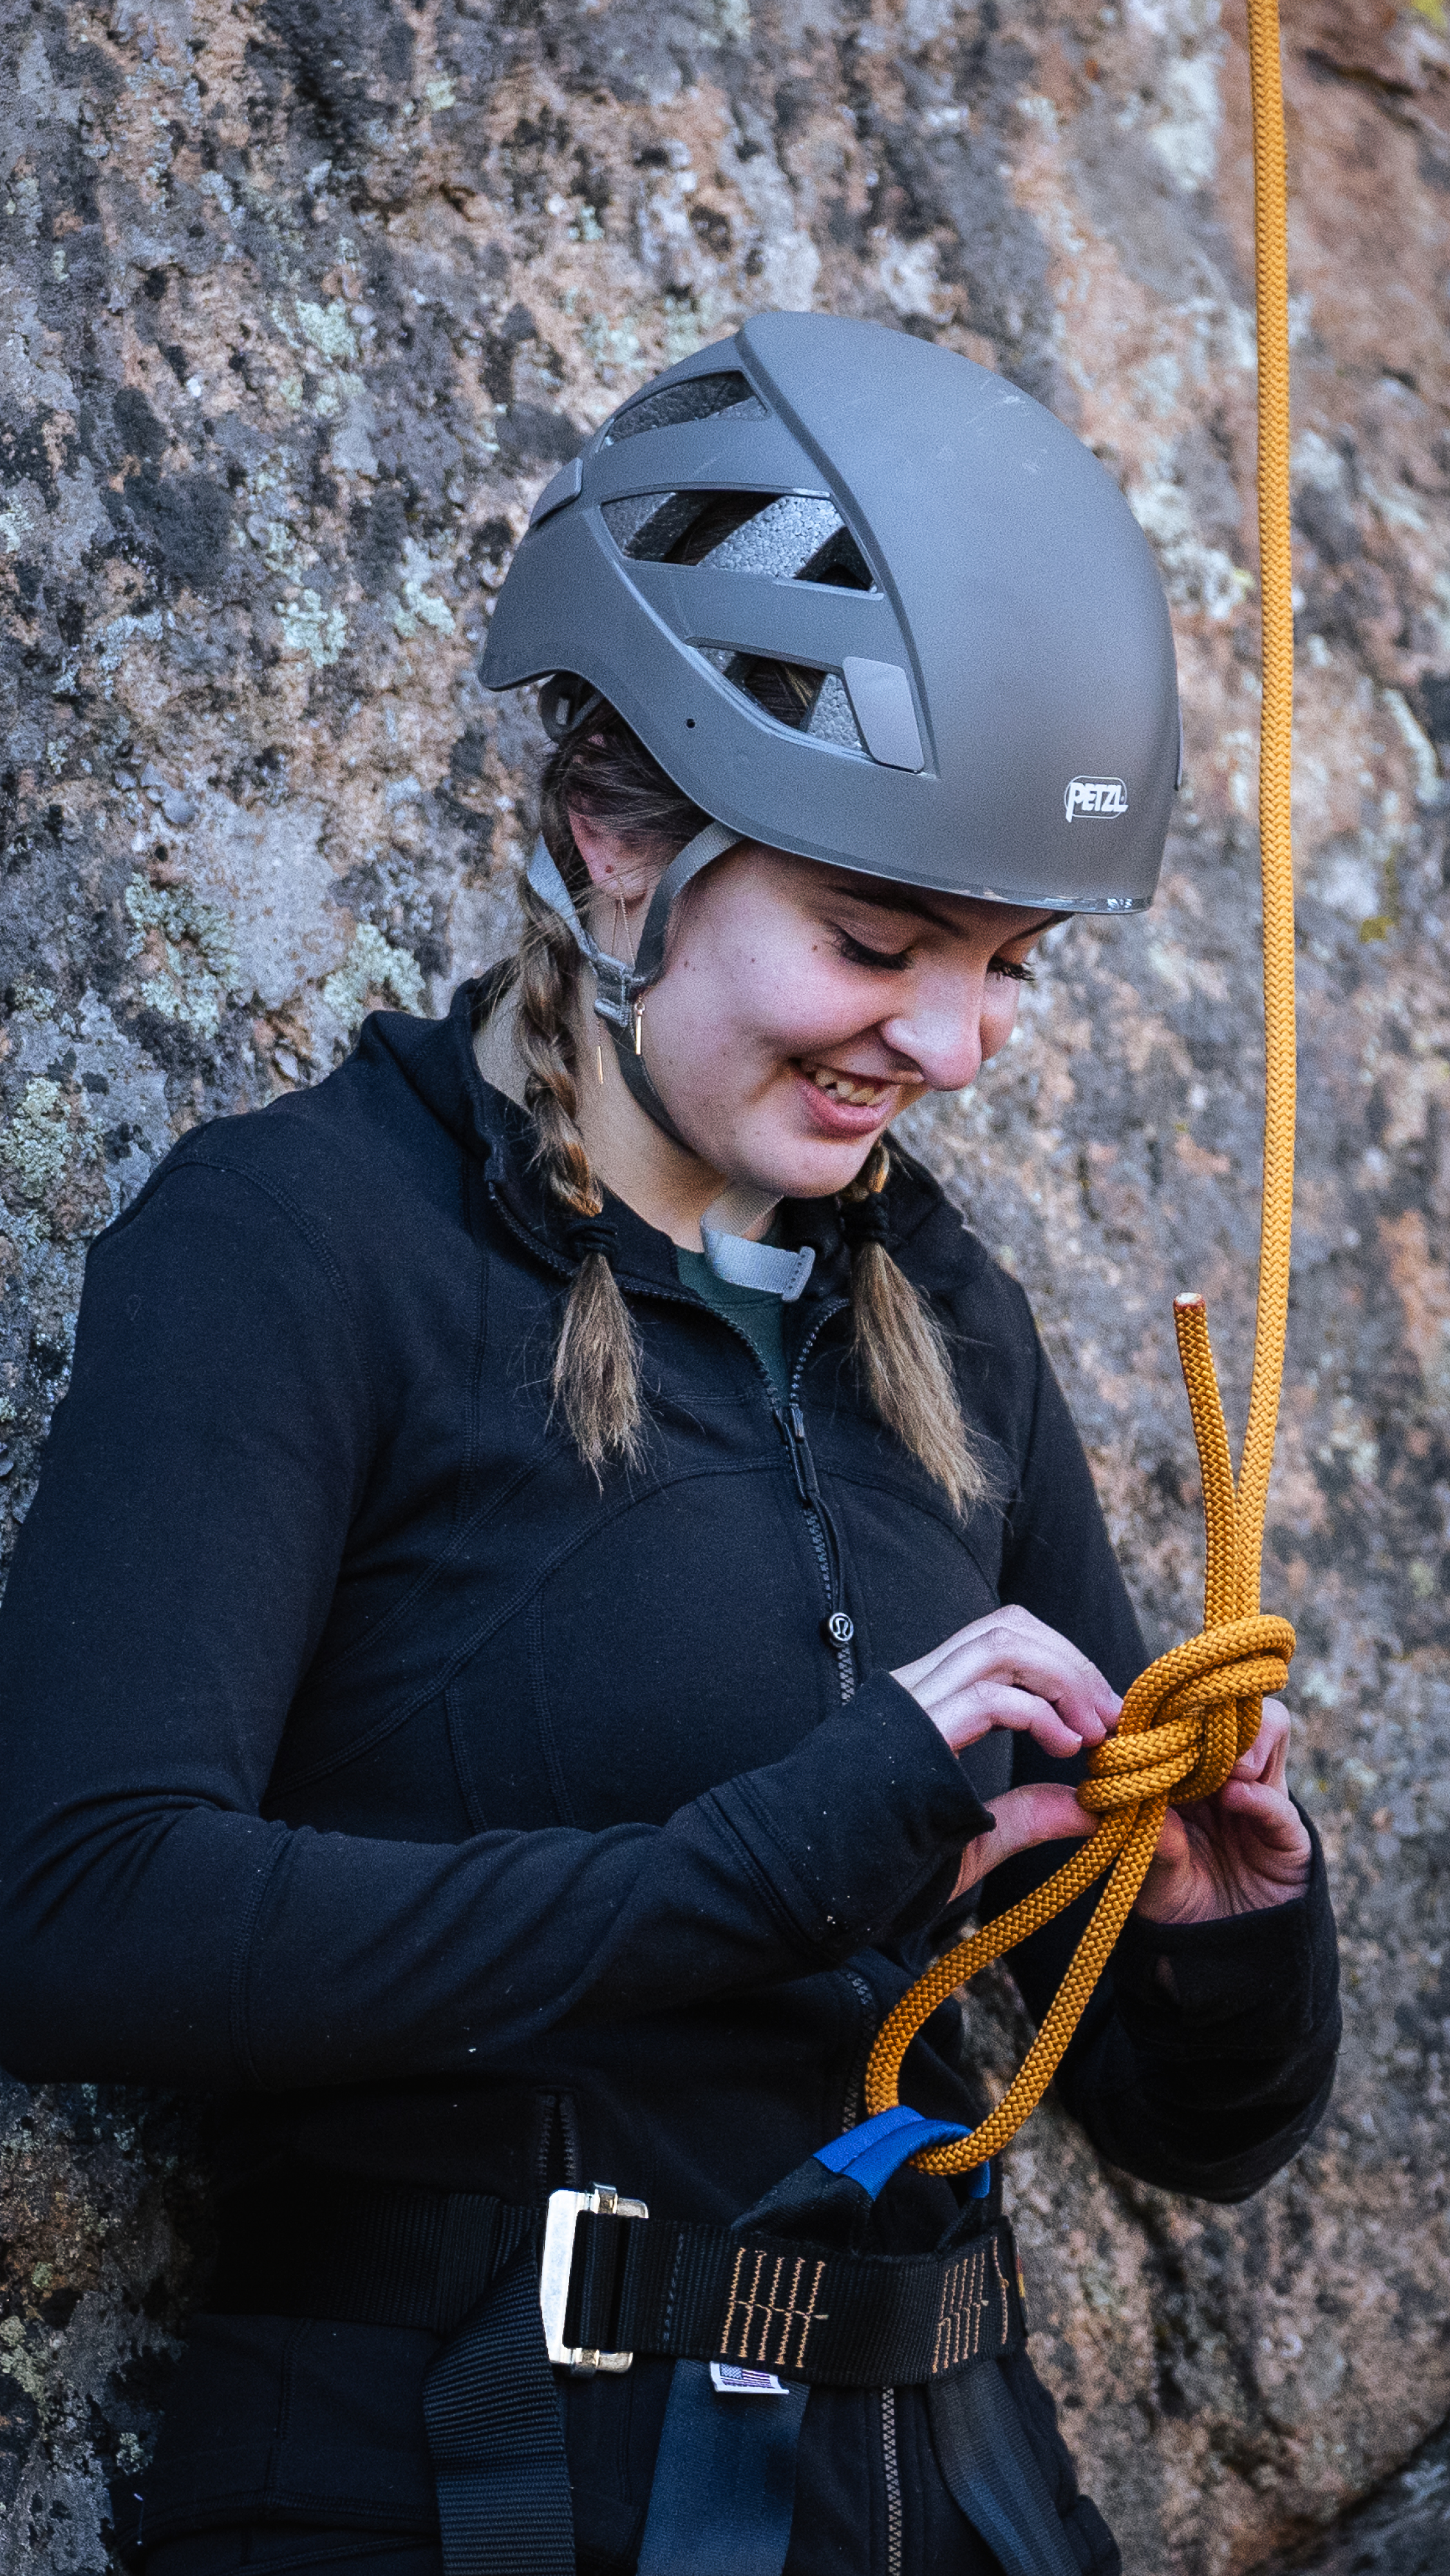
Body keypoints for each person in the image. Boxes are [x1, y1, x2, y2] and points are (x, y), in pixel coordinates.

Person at [0, 313, 1339, 2576]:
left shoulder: (941, 1314)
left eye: (1012, 963)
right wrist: (773, 1854)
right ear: (614, 843)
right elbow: (73, 1914)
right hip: (452, 2489)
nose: (953, 1042)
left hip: (955, 2501)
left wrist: (1219, 1934)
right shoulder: (309, 1253)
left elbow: (1189, 2132)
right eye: (875, 936)